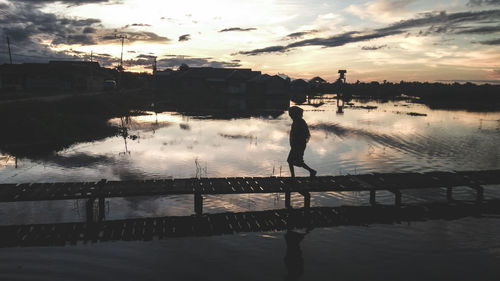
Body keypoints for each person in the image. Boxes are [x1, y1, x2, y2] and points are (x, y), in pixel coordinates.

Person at [287, 106, 316, 178]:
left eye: (291, 114)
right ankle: (310, 171)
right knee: (293, 160)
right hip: (296, 144)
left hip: (299, 144)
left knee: (292, 160)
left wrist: (297, 143)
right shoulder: (296, 121)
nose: (290, 116)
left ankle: (311, 171)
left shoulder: (300, 122)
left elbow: (304, 134)